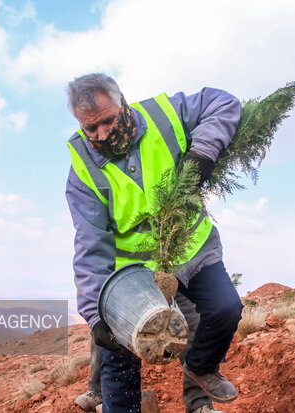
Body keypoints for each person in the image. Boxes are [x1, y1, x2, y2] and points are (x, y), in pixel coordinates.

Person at [65, 73, 243, 413]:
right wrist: (95, 315)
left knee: (224, 310)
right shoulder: (83, 171)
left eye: (107, 121)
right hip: (133, 272)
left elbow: (224, 102)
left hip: (192, 248)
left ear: (122, 103)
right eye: (91, 129)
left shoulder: (163, 114)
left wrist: (204, 151)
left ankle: (201, 374)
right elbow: (91, 245)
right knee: (117, 349)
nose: (101, 134)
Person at [75, 293, 225, 413]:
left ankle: (199, 404)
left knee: (193, 321)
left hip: (172, 274)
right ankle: (97, 392)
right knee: (107, 330)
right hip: (128, 281)